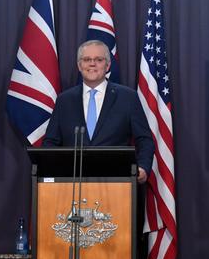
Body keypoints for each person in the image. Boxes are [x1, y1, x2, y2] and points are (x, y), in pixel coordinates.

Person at [43, 40, 155, 183]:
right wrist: (52, 170)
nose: (92, 64)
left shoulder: (128, 97)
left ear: (107, 65)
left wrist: (143, 167)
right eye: (86, 59)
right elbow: (50, 142)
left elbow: (144, 139)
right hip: (71, 184)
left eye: (99, 60)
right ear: (79, 65)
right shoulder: (64, 100)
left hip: (117, 184)